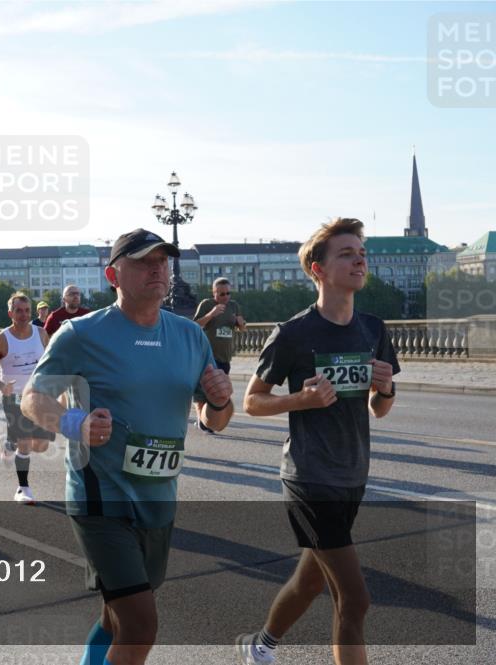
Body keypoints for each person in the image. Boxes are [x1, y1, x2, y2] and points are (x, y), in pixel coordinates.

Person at [21, 228, 234, 665]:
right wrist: (74, 423)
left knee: (117, 615)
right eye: (142, 261)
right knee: (140, 624)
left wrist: (221, 400)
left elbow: (214, 420)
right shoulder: (81, 333)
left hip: (158, 499)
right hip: (100, 499)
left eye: (162, 260)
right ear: (113, 274)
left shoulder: (191, 336)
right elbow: (31, 398)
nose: (156, 268)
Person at [235, 218, 400, 665]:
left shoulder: (373, 329)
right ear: (317, 269)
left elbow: (379, 409)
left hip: (352, 475)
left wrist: (383, 390)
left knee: (310, 580)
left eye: (361, 253)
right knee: (355, 599)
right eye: (346, 254)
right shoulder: (293, 333)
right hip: (309, 477)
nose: (359, 260)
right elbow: (251, 402)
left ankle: (260, 645)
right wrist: (302, 400)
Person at [0, 292, 53, 504]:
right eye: (18, 311)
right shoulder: (1, 339)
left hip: (39, 398)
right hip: (14, 397)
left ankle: (9, 442)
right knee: (25, 442)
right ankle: (23, 488)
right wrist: (0, 385)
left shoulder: (42, 334)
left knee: (41, 445)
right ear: (10, 313)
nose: (23, 315)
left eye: (26, 311)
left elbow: (51, 363)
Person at [192, 278, 247, 433]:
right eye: (222, 294)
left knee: (217, 391)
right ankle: (203, 421)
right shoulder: (207, 304)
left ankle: (208, 420)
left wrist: (241, 324)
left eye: (228, 293)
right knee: (203, 392)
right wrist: (211, 314)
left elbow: (241, 329)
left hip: (225, 357)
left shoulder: (234, 306)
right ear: (214, 292)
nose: (225, 297)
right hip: (207, 356)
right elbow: (195, 326)